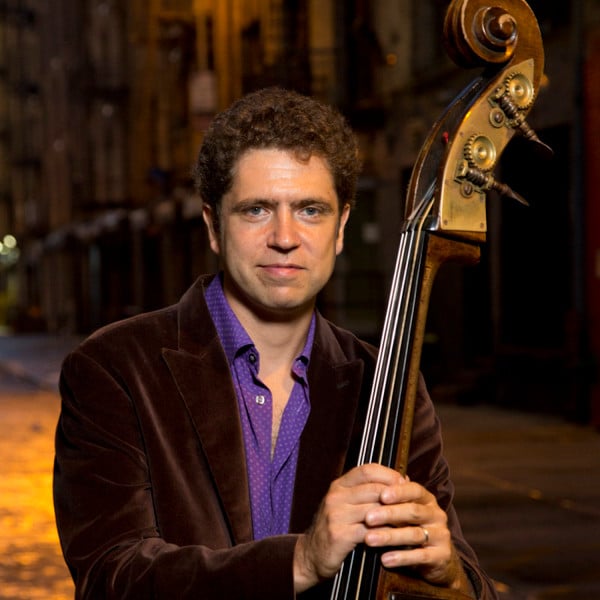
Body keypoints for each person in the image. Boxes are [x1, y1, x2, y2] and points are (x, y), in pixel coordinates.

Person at [53, 87, 497, 599]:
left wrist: (450, 576)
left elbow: (468, 585)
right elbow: (112, 578)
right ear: (213, 226)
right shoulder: (114, 369)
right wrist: (301, 560)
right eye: (256, 210)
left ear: (341, 228)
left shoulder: (390, 383)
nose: (284, 237)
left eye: (310, 210)